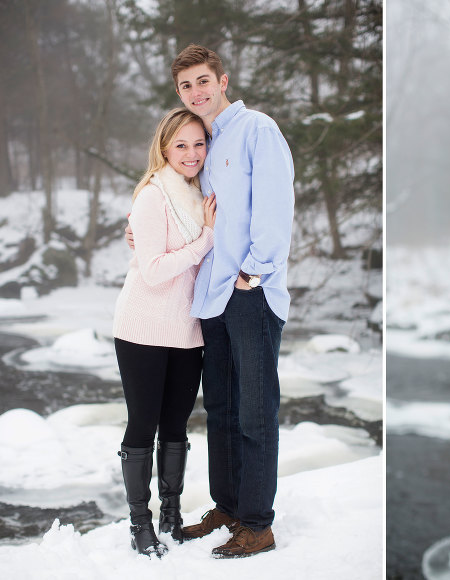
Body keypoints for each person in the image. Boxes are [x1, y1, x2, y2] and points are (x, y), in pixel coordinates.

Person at [124, 44, 295, 558]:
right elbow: (174, 200)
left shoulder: (257, 131)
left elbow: (275, 204)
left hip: (249, 291)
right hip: (211, 296)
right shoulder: (202, 141)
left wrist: (255, 271)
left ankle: (258, 523)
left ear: (223, 80)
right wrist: (137, 230)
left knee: (254, 411)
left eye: (203, 81)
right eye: (185, 86)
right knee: (220, 408)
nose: (196, 92)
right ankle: (228, 506)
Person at [114, 108, 216, 557]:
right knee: (143, 424)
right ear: (164, 148)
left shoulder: (200, 193)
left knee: (176, 424)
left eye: (199, 144)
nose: (192, 154)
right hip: (142, 327)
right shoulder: (153, 196)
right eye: (182, 145)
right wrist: (205, 240)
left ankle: (172, 513)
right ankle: (140, 523)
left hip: (187, 327)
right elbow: (153, 272)